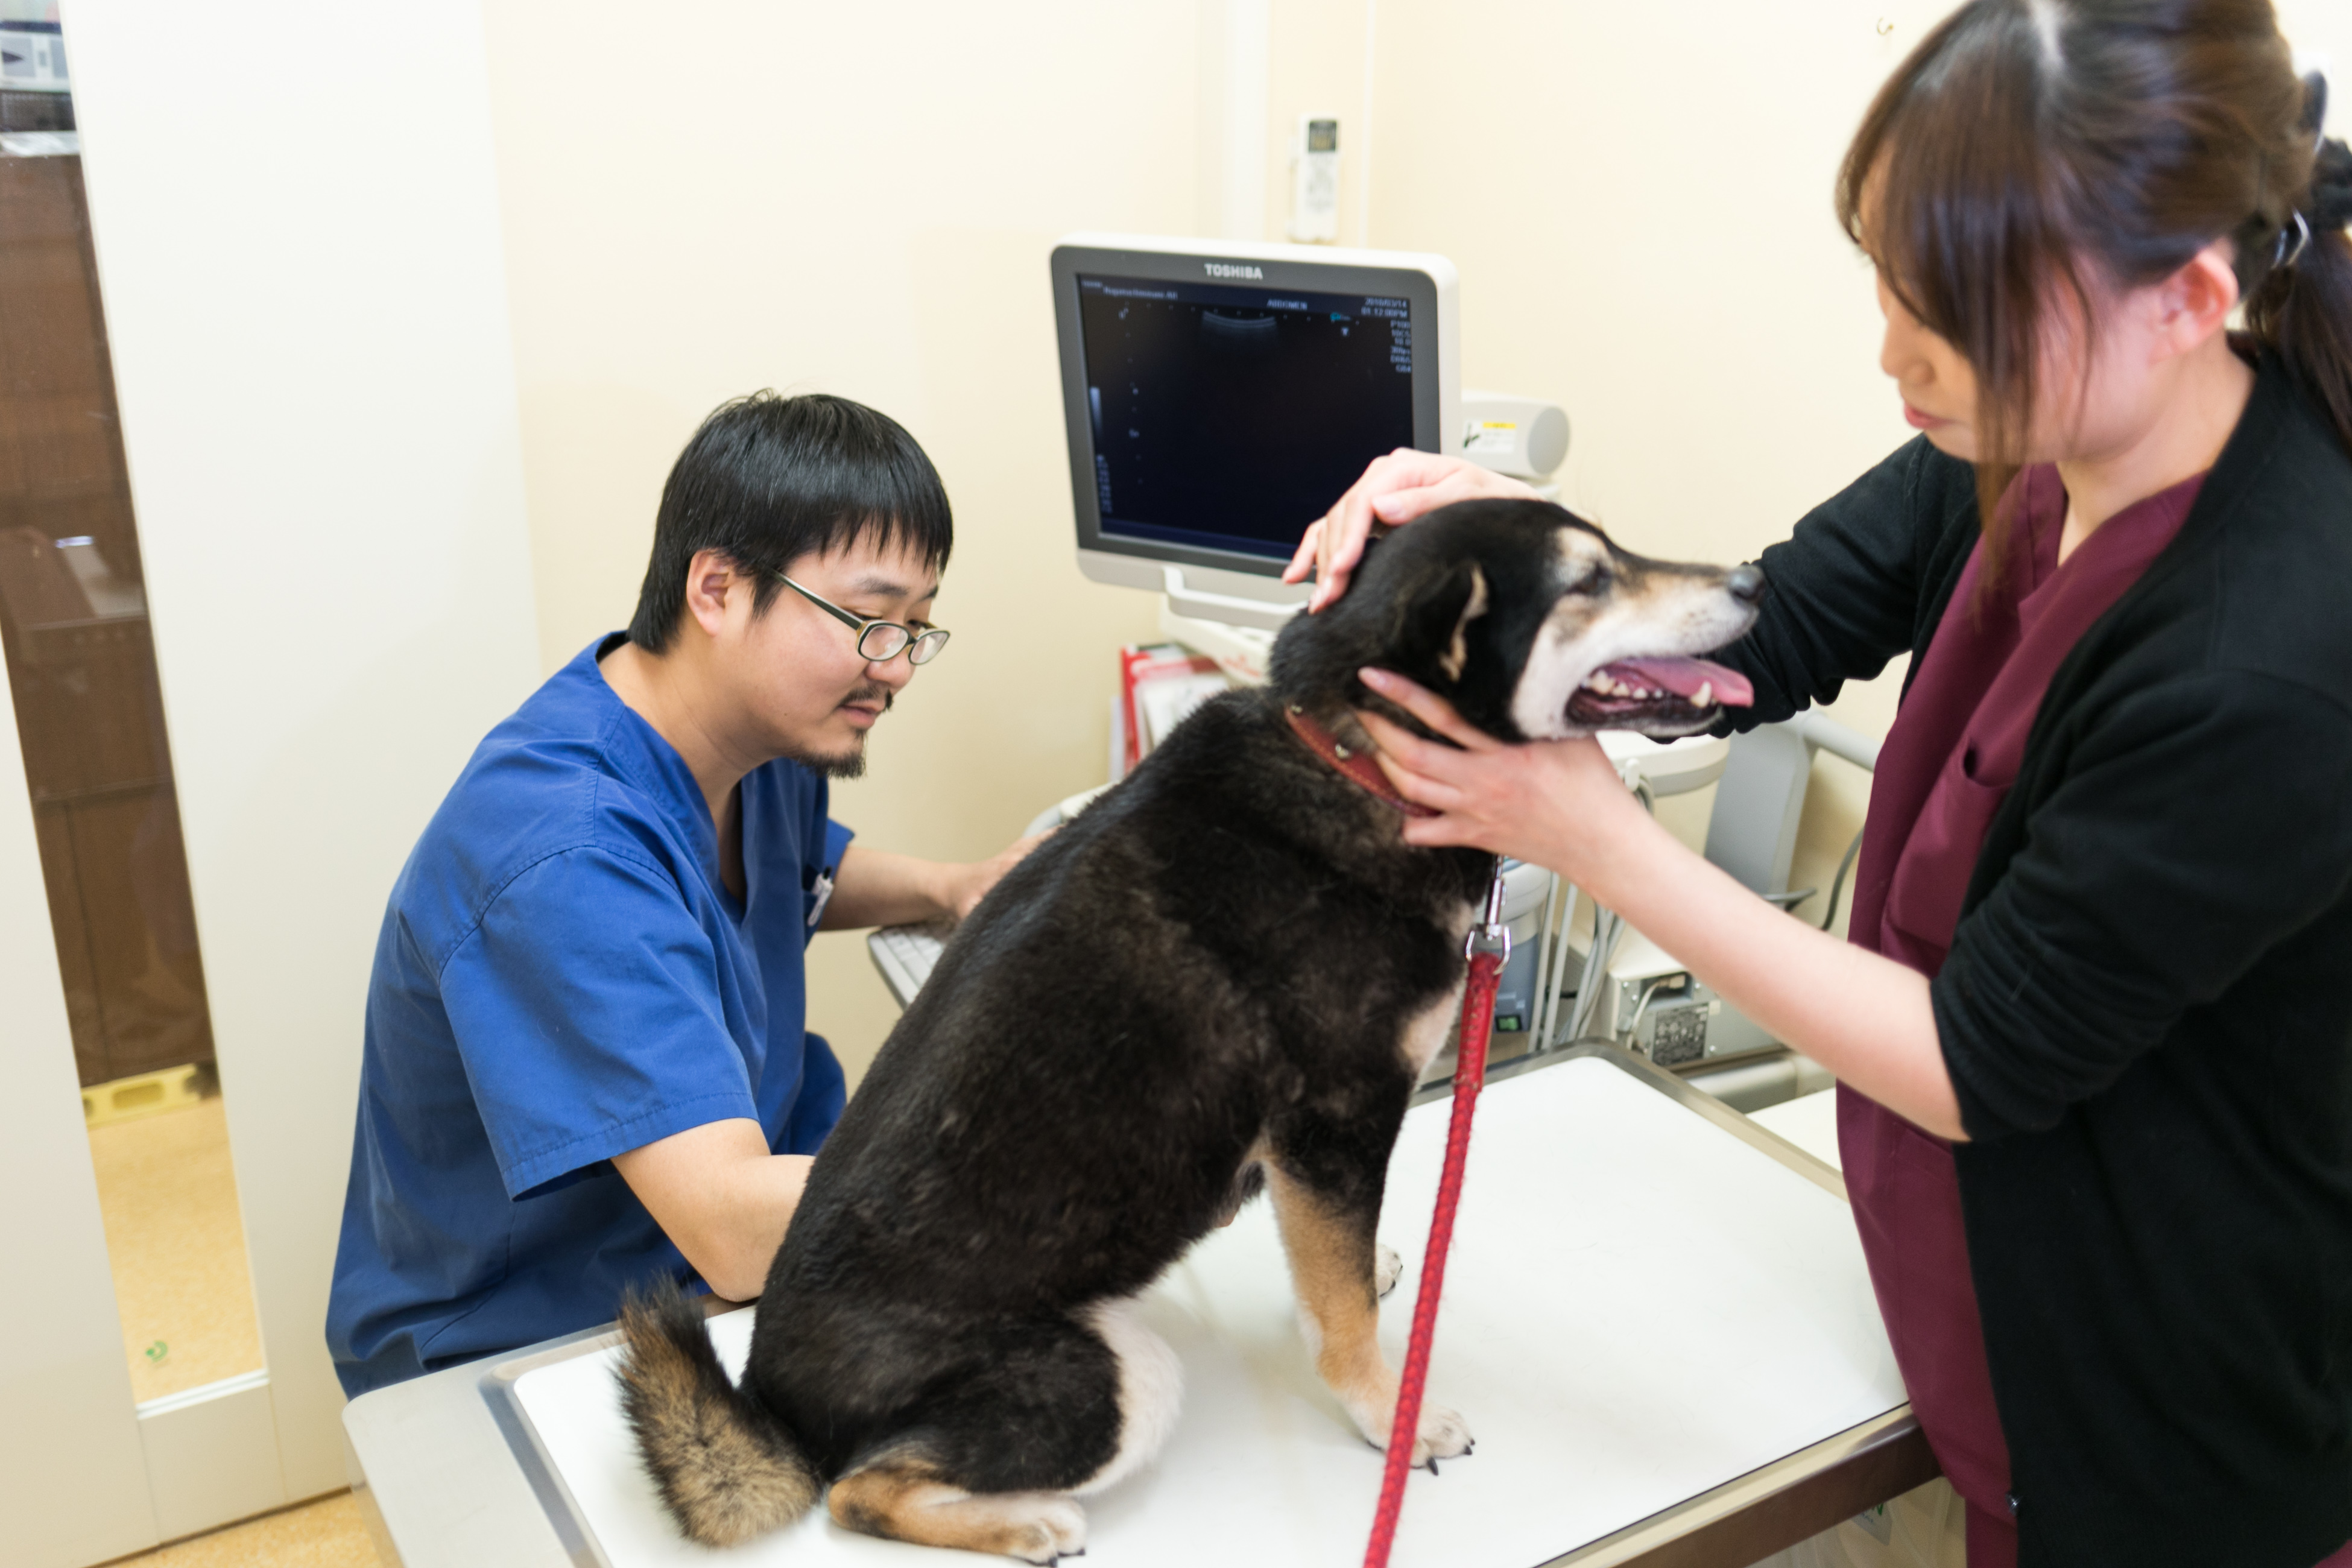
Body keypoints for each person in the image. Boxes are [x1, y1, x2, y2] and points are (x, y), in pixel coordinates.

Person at [1287, 5, 2352, 1566]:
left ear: (2187, 299)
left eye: (1951, 313)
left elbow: (1977, 1064)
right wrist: (1520, 541)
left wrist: (1596, 844)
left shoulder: (2272, 656)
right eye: (1887, 283)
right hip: (1960, 1296)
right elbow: (1769, 631)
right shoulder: (2026, 432)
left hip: (2171, 1417)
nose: (1890, 353)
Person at [327, 391, 1035, 1396]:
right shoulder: (563, 856)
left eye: (918, 629)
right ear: (717, 589)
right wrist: (1037, 1160)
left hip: (712, 1239)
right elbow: (739, 1232)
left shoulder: (749, 732)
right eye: (870, 622)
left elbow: (789, 877)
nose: (898, 669)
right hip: (546, 1326)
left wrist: (953, 888)